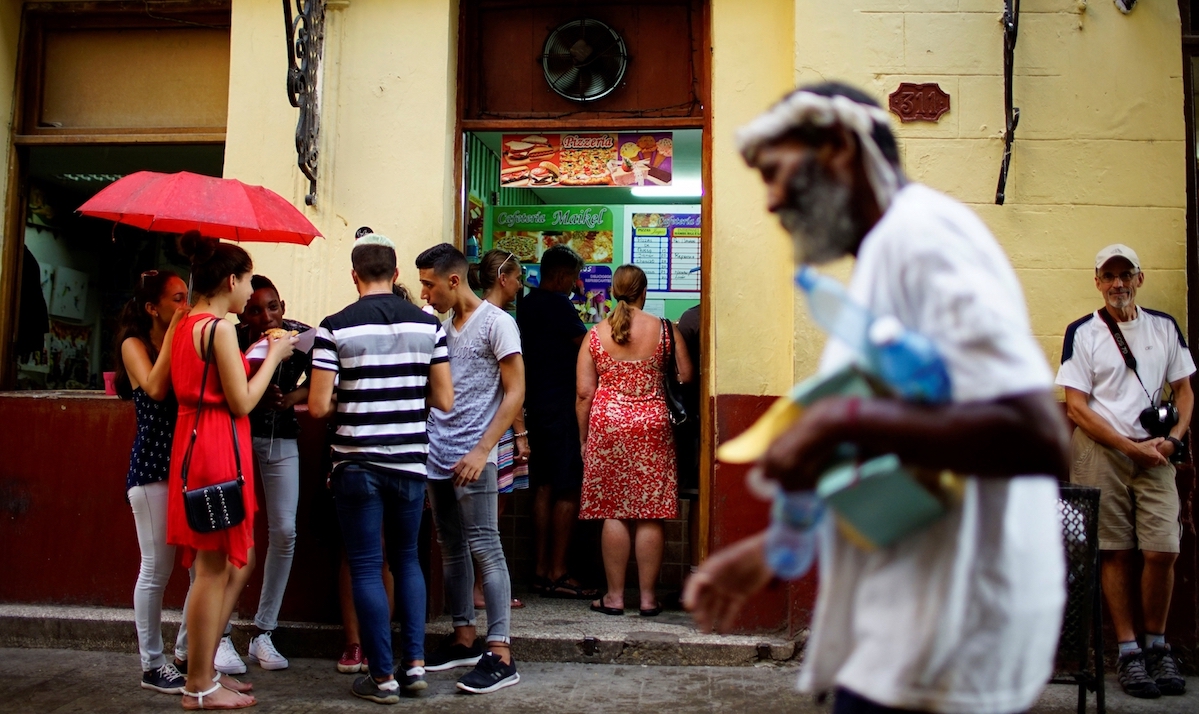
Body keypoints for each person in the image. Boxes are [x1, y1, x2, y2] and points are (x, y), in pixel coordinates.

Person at [684, 83, 1072, 714]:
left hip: (946, 635)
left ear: (837, 146)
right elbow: (914, 437)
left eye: (777, 174)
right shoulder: (883, 257)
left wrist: (842, 420)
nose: (772, 201)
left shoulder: (923, 235)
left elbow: (1039, 436)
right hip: (906, 628)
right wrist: (772, 550)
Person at [308, 232, 453, 704]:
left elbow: (316, 407)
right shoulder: (428, 326)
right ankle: (414, 666)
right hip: (410, 462)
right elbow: (445, 399)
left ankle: (381, 676)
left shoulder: (334, 327)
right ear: (394, 275)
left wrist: (347, 395)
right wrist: (408, 394)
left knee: (368, 566)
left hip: (356, 463)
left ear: (354, 276)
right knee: (408, 559)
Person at [1056, 244, 1194, 698]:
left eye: (1126, 274)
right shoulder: (1083, 332)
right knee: (1114, 550)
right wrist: (1124, 447)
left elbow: (1185, 390)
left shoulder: (1164, 328)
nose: (1118, 283)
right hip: (1102, 451)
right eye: (1108, 275)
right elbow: (1075, 406)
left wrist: (1174, 439)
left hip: (1156, 452)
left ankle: (1159, 644)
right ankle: (1130, 652)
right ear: (1097, 281)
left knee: (1162, 550)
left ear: (1140, 278)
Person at [169, 233, 296, 710]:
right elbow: (242, 400)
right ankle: (198, 685)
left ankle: (202, 675)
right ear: (229, 280)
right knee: (212, 571)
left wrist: (254, 356)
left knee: (216, 568)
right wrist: (276, 358)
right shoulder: (218, 328)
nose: (249, 294)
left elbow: (196, 384)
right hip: (217, 445)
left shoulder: (187, 322)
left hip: (196, 442)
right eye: (246, 281)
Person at [418, 244, 523, 694]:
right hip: (437, 454)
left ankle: (500, 651)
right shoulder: (441, 327)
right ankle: (464, 637)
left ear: (454, 280)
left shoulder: (499, 325)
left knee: (486, 546)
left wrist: (484, 449)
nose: (426, 292)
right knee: (450, 546)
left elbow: (516, 392)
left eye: (429, 284)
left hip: (473, 457)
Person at [577, 265, 693, 617]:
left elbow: (585, 393)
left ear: (613, 292)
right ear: (644, 291)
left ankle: (613, 597)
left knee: (613, 511)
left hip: (608, 427)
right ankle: (647, 598)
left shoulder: (595, 335)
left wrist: (584, 441)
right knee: (650, 513)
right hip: (652, 426)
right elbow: (685, 376)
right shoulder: (666, 330)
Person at [115, 269, 191, 694]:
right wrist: (178, 332)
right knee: (156, 570)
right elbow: (157, 388)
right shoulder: (134, 345)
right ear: (152, 308)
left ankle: (185, 652)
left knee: (202, 564)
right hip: (150, 472)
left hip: (186, 468)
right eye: (177, 299)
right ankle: (152, 665)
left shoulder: (181, 339)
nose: (185, 305)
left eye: (187, 297)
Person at [231, 275, 312, 671]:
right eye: (256, 309)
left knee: (284, 530)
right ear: (244, 312)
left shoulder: (298, 337)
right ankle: (221, 634)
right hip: (237, 440)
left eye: (273, 307)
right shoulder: (229, 338)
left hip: (282, 439)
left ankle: (264, 630)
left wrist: (291, 398)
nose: (266, 317)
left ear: (284, 305)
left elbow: (326, 378)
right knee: (233, 533)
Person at [516, 245, 598, 599]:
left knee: (543, 487)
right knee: (567, 487)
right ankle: (558, 571)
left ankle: (539, 571)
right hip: (561, 408)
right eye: (574, 277)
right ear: (563, 276)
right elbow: (588, 346)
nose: (576, 283)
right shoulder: (557, 304)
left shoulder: (528, 304)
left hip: (535, 405)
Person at [475, 249, 530, 610]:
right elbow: (512, 387)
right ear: (502, 278)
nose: (520, 284)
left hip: (480, 427)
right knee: (492, 512)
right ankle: (483, 589)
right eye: (517, 277)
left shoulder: (471, 318)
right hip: (499, 430)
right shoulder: (500, 321)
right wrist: (522, 433)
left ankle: (477, 588)